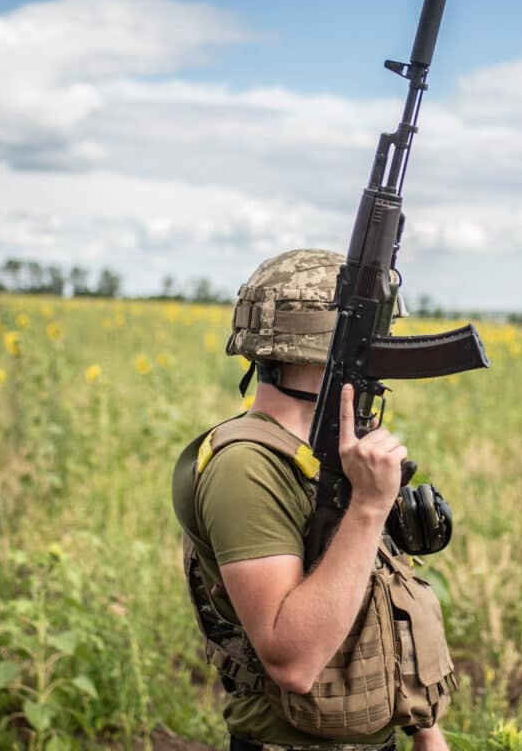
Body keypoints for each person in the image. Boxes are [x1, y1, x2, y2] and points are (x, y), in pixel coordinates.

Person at [172, 249, 454, 751]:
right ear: (329, 343)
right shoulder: (246, 467)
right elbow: (293, 662)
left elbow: (374, 594)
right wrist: (368, 508)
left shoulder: (336, 457)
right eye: (371, 334)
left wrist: (427, 733)